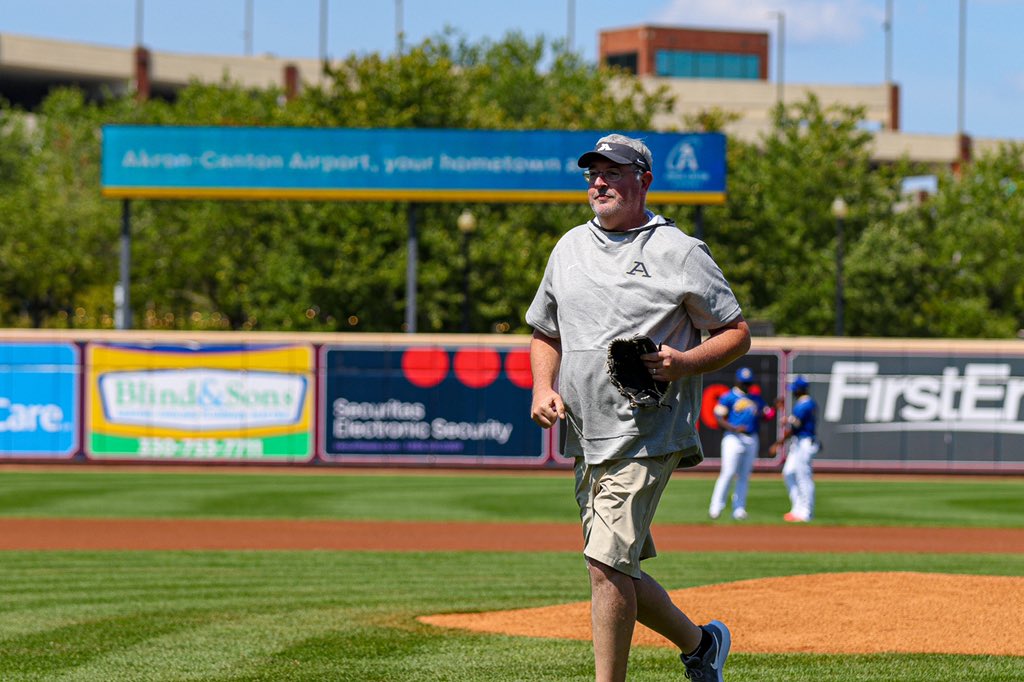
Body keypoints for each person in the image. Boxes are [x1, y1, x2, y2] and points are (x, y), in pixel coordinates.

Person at [527, 133, 750, 682]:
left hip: (648, 431)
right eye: (592, 173)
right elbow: (544, 331)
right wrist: (542, 387)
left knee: (604, 565)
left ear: (643, 180)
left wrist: (685, 362)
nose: (598, 182)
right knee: (618, 567)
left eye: (612, 172)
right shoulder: (568, 248)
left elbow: (736, 333)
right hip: (586, 432)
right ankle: (702, 645)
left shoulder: (679, 252)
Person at [707, 367, 777, 521]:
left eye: (748, 382)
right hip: (733, 437)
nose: (746, 384)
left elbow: (767, 416)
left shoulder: (755, 398)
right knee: (728, 472)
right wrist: (733, 427)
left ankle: (739, 508)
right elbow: (718, 417)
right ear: (737, 381)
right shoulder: (728, 397)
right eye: (744, 382)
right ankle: (716, 507)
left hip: (751, 438)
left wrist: (775, 409)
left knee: (744, 475)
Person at [771, 375, 819, 523]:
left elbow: (794, 427)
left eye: (795, 389)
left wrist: (778, 443)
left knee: (804, 477)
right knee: (789, 473)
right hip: (799, 443)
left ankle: (806, 512)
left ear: (800, 389)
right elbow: (794, 423)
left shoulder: (805, 404)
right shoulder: (804, 404)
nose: (793, 392)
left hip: (804, 443)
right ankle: (797, 509)